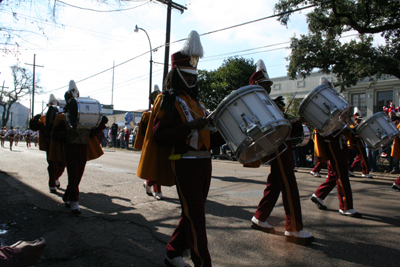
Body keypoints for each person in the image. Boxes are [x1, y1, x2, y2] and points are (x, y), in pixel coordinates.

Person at [137, 31, 225, 267]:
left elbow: (207, 140)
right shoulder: (168, 100)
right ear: (177, 74)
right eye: (187, 75)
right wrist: (189, 127)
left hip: (204, 162)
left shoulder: (198, 103)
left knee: (192, 213)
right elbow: (160, 135)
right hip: (183, 161)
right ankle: (202, 263)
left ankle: (173, 251)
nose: (192, 79)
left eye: (194, 75)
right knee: (196, 215)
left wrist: (225, 134)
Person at [246, 59, 314, 245]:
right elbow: (270, 129)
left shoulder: (270, 103)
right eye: (265, 85)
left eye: (269, 85)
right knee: (289, 185)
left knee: (276, 183)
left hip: (283, 145)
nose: (269, 88)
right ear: (257, 86)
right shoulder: (259, 104)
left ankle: (260, 217)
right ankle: (294, 228)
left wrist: (296, 123)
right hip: (278, 147)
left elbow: (282, 126)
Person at [50, 80, 107, 214]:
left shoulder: (84, 118)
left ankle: (67, 196)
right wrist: (64, 134)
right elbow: (55, 135)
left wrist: (101, 125)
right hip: (70, 147)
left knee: (78, 175)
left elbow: (91, 134)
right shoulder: (62, 117)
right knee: (73, 174)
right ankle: (75, 202)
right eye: (70, 98)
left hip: (83, 148)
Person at [310, 77, 362, 218]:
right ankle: (345, 206)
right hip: (332, 143)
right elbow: (325, 129)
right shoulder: (320, 106)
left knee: (334, 174)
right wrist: (342, 131)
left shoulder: (332, 104)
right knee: (341, 174)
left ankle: (318, 195)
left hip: (339, 142)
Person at [30, 94, 66, 194]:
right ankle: (52, 184)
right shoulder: (43, 119)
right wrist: (35, 119)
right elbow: (34, 127)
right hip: (50, 145)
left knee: (63, 165)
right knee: (52, 165)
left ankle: (55, 178)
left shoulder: (62, 116)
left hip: (61, 144)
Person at [134, 85, 165, 200]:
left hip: (162, 142)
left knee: (161, 167)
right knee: (154, 167)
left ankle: (148, 183)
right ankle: (156, 190)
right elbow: (143, 131)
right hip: (151, 144)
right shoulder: (147, 114)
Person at [347, 107, 373, 178]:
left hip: (360, 141)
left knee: (359, 157)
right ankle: (365, 172)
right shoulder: (355, 125)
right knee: (363, 157)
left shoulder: (357, 125)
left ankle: (350, 169)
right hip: (358, 142)